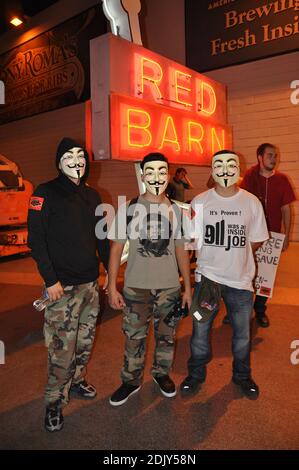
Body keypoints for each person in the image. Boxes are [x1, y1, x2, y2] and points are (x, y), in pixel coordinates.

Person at [28, 137, 110, 432]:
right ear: (59, 161)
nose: (76, 160)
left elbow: (101, 238)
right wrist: (50, 281)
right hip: (61, 288)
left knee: (84, 342)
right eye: (69, 155)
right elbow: (35, 240)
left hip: (90, 285)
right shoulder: (44, 193)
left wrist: (109, 271)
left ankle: (76, 381)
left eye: (81, 156)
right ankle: (54, 401)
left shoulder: (93, 196)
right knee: (62, 349)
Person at [180, 150, 268, 400]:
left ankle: (242, 376)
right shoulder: (199, 202)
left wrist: (236, 258)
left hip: (240, 283)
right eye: (219, 164)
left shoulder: (251, 202)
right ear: (212, 170)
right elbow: (190, 243)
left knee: (242, 336)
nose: (226, 169)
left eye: (232, 164)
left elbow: (256, 240)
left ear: (239, 169)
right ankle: (195, 375)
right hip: (207, 281)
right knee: (199, 333)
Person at [107, 152, 192, 406]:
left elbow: (181, 250)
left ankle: (161, 374)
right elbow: (114, 249)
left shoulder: (176, 210)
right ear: (143, 175)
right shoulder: (129, 209)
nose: (157, 176)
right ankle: (131, 380)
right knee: (134, 338)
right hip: (135, 288)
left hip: (169, 288)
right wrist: (112, 286)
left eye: (162, 171)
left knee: (166, 335)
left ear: (168, 175)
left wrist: (187, 288)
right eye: (151, 172)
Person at [240, 143, 296, 328]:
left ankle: (260, 310)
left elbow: (286, 209)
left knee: (266, 276)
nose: (274, 159)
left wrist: (287, 235)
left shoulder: (282, 180)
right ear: (260, 157)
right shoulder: (249, 176)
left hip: (273, 235)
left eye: (276, 155)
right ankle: (242, 309)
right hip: (250, 235)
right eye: (270, 155)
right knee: (246, 271)